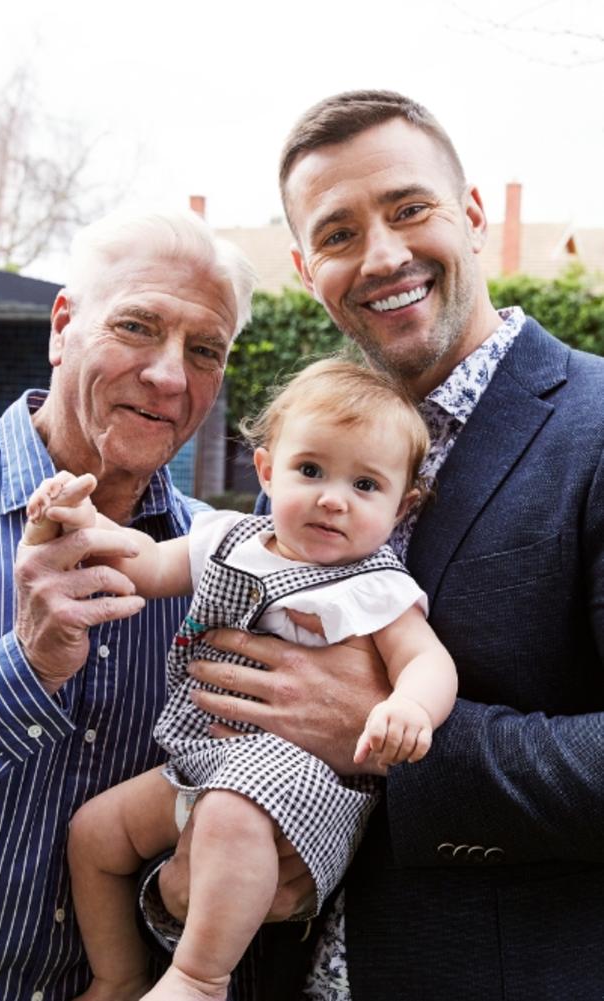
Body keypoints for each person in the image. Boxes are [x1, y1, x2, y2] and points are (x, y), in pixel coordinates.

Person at [151, 91, 604, 1000]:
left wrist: (388, 738)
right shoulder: (326, 442)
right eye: (338, 233)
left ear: (471, 216)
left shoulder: (593, 424)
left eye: (409, 209)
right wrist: (183, 885)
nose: (384, 255)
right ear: (305, 267)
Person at [23, 356, 457, 1001]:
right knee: (93, 832)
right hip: (202, 757)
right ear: (266, 470)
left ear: (402, 508)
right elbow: (141, 561)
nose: (332, 498)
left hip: (298, 784)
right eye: (310, 470)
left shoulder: (377, 587)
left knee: (230, 814)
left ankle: (200, 978)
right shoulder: (229, 538)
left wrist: (411, 709)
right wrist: (84, 523)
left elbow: (428, 661)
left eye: (366, 485)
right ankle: (117, 976)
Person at [0, 208, 257, 1000]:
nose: (168, 376)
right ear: (62, 326)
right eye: (137, 326)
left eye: (204, 352)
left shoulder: (224, 569)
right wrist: (24, 666)